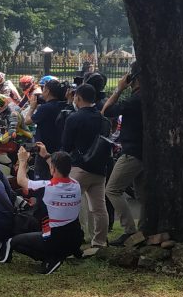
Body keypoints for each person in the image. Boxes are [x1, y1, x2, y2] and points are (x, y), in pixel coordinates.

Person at [0, 145, 83, 274]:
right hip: (75, 239)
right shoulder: (76, 184)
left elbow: (21, 181)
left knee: (14, 241)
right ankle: (58, 255)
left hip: (55, 240)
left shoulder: (48, 186)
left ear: (52, 168)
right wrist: (47, 156)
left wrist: (22, 161)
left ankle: (51, 259)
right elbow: (59, 169)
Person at [61, 83, 110, 249]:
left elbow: (66, 146)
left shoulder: (74, 118)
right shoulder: (103, 119)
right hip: (99, 168)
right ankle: (100, 241)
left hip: (79, 168)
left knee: (70, 204)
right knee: (99, 207)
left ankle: (74, 237)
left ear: (78, 98)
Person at [103, 62, 145, 246]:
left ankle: (129, 230)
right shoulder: (149, 97)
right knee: (143, 195)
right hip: (144, 152)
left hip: (132, 152)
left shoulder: (135, 100)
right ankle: (144, 229)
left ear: (133, 78)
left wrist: (119, 89)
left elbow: (107, 111)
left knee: (112, 189)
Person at [25, 79, 66, 179]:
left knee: (42, 179)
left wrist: (32, 108)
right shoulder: (63, 105)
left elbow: (27, 121)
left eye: (43, 89)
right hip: (59, 148)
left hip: (43, 149)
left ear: (47, 91)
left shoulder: (45, 108)